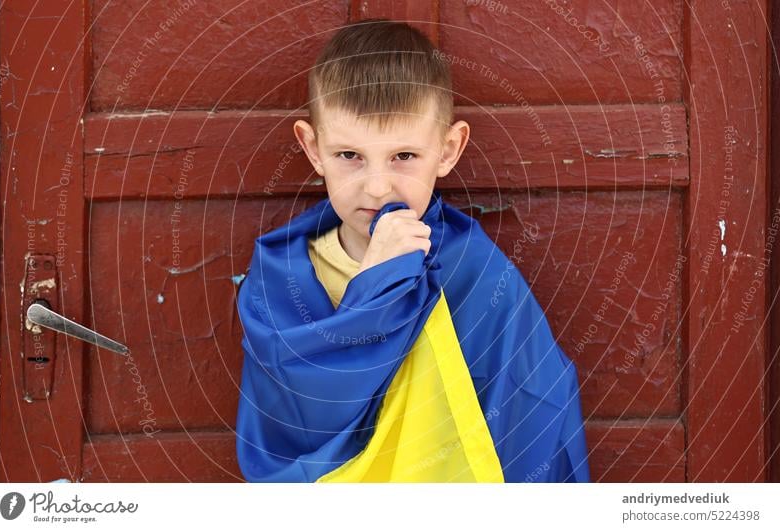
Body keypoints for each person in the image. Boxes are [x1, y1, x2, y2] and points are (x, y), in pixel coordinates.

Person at [234, 18, 590, 483]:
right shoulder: (281, 279)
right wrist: (377, 288)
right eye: (349, 156)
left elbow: (535, 402)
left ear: (448, 149)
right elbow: (294, 419)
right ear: (312, 147)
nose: (378, 187)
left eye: (404, 156)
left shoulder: (472, 270)